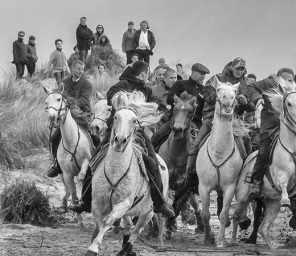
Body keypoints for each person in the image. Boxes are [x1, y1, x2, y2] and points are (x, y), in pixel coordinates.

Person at [69, 61, 175, 218]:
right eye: (147, 73)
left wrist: (161, 108)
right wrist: (128, 102)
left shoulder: (146, 89)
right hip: (115, 131)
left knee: (153, 163)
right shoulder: (120, 85)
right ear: (143, 73)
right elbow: (113, 98)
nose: (148, 76)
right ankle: (85, 201)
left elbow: (154, 104)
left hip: (137, 132)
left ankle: (159, 203)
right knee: (94, 162)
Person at [176, 57, 255, 189]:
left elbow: (251, 106)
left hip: (234, 120)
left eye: (242, 69)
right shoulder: (217, 78)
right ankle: (188, 175)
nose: (239, 72)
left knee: (247, 139)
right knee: (196, 143)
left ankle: (247, 173)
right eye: (237, 68)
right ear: (232, 67)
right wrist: (219, 97)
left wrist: (245, 102)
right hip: (213, 117)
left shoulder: (246, 83)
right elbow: (206, 93)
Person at [245, 68, 296, 200]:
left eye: (292, 80)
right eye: (288, 80)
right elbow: (250, 86)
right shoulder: (268, 83)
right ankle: (256, 182)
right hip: (270, 127)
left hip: (290, 128)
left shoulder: (295, 90)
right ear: (279, 78)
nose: (291, 83)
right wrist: (258, 99)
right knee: (263, 152)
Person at [47, 60, 95, 177]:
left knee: (95, 137)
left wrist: (70, 105)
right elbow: (60, 98)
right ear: (72, 69)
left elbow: (84, 99)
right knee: (54, 138)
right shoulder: (64, 83)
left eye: (82, 69)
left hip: (83, 114)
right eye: (78, 69)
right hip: (67, 115)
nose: (80, 71)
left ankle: (95, 162)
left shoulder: (87, 84)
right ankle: (56, 164)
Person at [151, 63, 210, 150]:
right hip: (175, 120)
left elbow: (206, 109)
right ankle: (150, 160)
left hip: (196, 124)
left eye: (204, 74)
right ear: (193, 72)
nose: (203, 76)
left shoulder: (204, 90)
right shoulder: (180, 84)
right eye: (201, 74)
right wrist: (182, 102)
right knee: (156, 137)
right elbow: (170, 98)